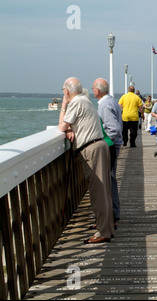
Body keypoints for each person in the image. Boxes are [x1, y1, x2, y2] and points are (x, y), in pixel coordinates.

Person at [58, 77, 114, 244]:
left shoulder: (76, 102)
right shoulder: (85, 100)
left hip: (92, 149)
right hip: (99, 146)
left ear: (67, 91)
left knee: (98, 192)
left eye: (63, 91)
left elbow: (61, 126)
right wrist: (70, 129)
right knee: (103, 190)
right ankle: (106, 227)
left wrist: (63, 106)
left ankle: (103, 231)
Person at [93, 78, 123, 229]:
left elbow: (114, 128)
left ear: (97, 91)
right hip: (114, 145)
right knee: (110, 179)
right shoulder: (112, 102)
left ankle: (112, 216)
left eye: (93, 88)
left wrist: (105, 143)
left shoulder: (105, 105)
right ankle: (112, 215)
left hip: (110, 146)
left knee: (108, 180)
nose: (93, 91)